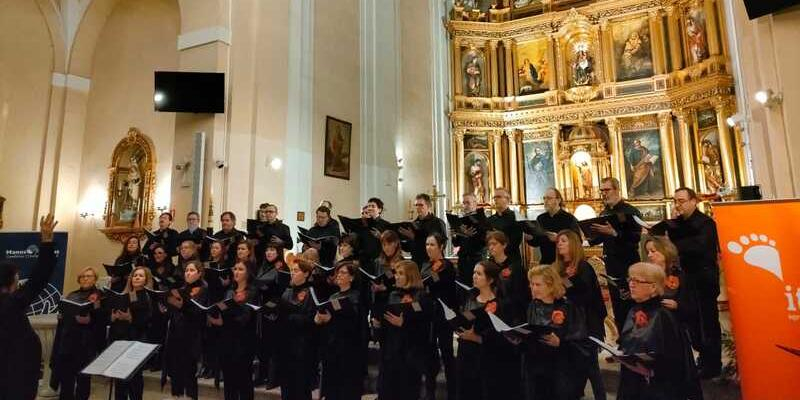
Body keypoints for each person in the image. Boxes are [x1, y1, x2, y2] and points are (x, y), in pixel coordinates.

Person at [666, 187, 722, 379]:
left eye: (681, 201)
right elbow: (674, 246)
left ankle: (713, 364)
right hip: (688, 279)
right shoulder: (679, 224)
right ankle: (703, 359)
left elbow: (700, 247)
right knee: (693, 323)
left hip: (704, 279)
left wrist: (677, 242)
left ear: (693, 201)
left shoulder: (706, 223)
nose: (678, 205)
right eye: (675, 201)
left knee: (707, 322)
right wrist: (673, 225)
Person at [617, 263, 692, 400]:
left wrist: (650, 367)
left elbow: (673, 359)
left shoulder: (663, 315)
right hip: (632, 381)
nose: (631, 285)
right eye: (630, 280)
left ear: (653, 287)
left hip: (657, 387)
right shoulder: (633, 310)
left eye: (637, 281)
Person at [643, 236, 703, 400]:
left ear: (665, 252)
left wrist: (678, 306)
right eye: (648, 251)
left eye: (654, 251)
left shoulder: (680, 276)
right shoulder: (646, 276)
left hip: (675, 335)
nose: (650, 255)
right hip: (652, 335)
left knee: (679, 382)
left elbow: (693, 308)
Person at [456, 260, 521, 400]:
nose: (474, 276)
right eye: (474, 273)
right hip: (467, 355)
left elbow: (505, 336)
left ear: (490, 279)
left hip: (489, 358)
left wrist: (477, 338)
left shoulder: (503, 304)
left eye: (479, 274)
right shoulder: (470, 298)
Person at [553, 230, 606, 400]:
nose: (559, 243)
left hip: (586, 324)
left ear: (573, 244)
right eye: (558, 241)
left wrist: (565, 292)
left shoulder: (584, 267)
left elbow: (589, 296)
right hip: (567, 325)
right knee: (573, 369)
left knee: (592, 369)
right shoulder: (558, 268)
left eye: (564, 241)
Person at [590, 177, 642, 333]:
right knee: (617, 306)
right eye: (602, 190)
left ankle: (635, 345)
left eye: (607, 190)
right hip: (611, 266)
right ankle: (622, 344)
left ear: (617, 189)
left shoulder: (631, 211)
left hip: (628, 265)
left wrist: (613, 232)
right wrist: (588, 233)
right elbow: (599, 238)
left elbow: (635, 238)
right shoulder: (605, 212)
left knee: (631, 305)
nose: (604, 194)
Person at [377, 260, 434, 400]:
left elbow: (425, 329)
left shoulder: (422, 298)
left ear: (410, 276)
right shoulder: (392, 295)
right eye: (396, 273)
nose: (396, 276)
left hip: (411, 355)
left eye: (401, 273)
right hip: (391, 352)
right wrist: (378, 325)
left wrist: (404, 324)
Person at [52, 266, 106, 400]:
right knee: (66, 381)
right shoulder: (72, 295)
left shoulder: (100, 296)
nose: (86, 278)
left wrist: (90, 320)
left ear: (95, 279)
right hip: (67, 343)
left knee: (83, 380)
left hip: (86, 344)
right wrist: (62, 317)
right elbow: (64, 314)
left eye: (89, 276)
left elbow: (102, 320)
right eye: (83, 276)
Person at [208, 259, 258, 400]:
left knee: (244, 381)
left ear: (248, 273)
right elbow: (223, 312)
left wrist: (225, 319)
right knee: (229, 382)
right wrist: (215, 318)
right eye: (235, 269)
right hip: (227, 340)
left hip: (243, 342)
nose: (236, 272)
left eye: (240, 269)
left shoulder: (252, 292)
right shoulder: (230, 291)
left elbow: (245, 318)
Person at [524, 265, 576, 400]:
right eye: (532, 284)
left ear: (551, 285)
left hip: (558, 367)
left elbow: (577, 339)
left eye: (538, 285)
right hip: (534, 366)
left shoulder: (565, 306)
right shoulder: (532, 305)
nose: (534, 288)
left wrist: (560, 342)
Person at [315, 262, 365, 400]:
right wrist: (320, 319)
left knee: (346, 389)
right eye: (338, 272)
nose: (339, 275)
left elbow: (355, 323)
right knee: (332, 389)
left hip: (348, 349)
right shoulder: (333, 296)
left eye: (343, 273)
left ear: (352, 278)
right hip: (332, 346)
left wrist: (331, 319)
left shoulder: (356, 296)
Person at [108, 266, 155, 400]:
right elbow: (111, 316)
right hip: (120, 338)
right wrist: (113, 317)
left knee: (134, 379)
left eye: (141, 275)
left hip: (137, 339)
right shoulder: (123, 295)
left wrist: (130, 318)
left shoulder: (149, 297)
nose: (137, 277)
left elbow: (149, 321)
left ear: (146, 279)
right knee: (119, 379)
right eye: (135, 275)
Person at [420, 233, 457, 400]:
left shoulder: (447, 265)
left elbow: (434, 281)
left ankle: (453, 391)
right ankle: (429, 392)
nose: (428, 248)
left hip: (443, 314)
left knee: (447, 352)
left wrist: (422, 283)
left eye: (432, 245)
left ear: (441, 246)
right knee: (428, 353)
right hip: (428, 313)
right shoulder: (425, 265)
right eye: (427, 244)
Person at [163, 260, 207, 400]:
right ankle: (177, 396)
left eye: (192, 270)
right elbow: (174, 310)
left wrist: (182, 306)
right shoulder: (181, 289)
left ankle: (190, 397)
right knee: (175, 371)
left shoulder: (203, 288)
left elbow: (198, 311)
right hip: (176, 333)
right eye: (186, 270)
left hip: (192, 335)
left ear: (199, 273)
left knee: (189, 371)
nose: (188, 273)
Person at [276, 257, 317, 400]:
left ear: (306, 274)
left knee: (301, 388)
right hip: (285, 345)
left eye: (296, 271)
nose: (292, 273)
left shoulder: (311, 293)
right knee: (286, 387)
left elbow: (312, 320)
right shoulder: (287, 292)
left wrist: (291, 316)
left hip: (302, 346)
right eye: (292, 271)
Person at [254, 241, 288, 387]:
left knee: (273, 345)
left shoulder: (282, 268)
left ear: (279, 252)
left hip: (275, 310)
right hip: (261, 309)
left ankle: (273, 377)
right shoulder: (263, 265)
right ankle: (261, 375)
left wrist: (266, 290)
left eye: (273, 250)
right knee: (262, 345)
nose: (269, 252)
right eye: (267, 249)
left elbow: (282, 291)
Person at [525, 188, 580, 264]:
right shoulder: (541, 218)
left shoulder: (569, 218)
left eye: (549, 198)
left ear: (558, 200)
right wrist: (530, 238)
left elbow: (577, 241)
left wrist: (558, 238)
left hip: (564, 263)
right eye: (544, 198)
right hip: (546, 262)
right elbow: (537, 242)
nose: (546, 201)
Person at [486, 231, 530, 320]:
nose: (491, 247)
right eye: (489, 245)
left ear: (504, 245)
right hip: (490, 306)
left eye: (494, 244)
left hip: (512, 309)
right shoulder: (487, 266)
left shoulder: (515, 266)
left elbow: (521, 292)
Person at [400, 193, 448, 266]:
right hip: (416, 263)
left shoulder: (437, 222)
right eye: (416, 205)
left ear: (428, 206)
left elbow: (442, 245)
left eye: (421, 205)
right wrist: (399, 242)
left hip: (433, 263)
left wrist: (415, 238)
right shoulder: (413, 224)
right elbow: (409, 248)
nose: (418, 207)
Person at [451, 193, 487, 285]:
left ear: (475, 203)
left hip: (476, 260)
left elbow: (484, 242)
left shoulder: (482, 220)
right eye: (464, 203)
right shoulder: (461, 220)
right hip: (463, 260)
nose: (465, 206)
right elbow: (456, 243)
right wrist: (454, 235)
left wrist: (469, 235)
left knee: (476, 287)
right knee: (462, 288)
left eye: (468, 203)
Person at [488, 188, 523, 265]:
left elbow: (516, 241)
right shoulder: (490, 220)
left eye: (499, 197)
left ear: (508, 199)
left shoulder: (516, 217)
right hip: (494, 260)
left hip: (511, 259)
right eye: (494, 197)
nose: (496, 199)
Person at [357, 198, 391, 270]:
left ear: (379, 210)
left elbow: (391, 244)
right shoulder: (362, 224)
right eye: (368, 206)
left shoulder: (386, 225)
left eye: (373, 206)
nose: (369, 208)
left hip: (380, 262)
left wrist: (380, 237)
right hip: (364, 261)